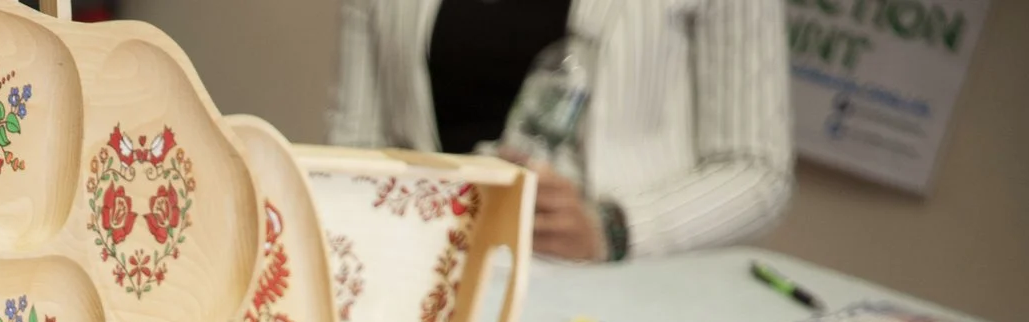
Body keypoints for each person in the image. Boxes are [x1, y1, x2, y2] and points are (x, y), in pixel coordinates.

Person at [328, 0, 792, 261]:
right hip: (421, 276)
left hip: (610, 301)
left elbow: (756, 168)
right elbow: (354, 147)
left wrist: (614, 231)